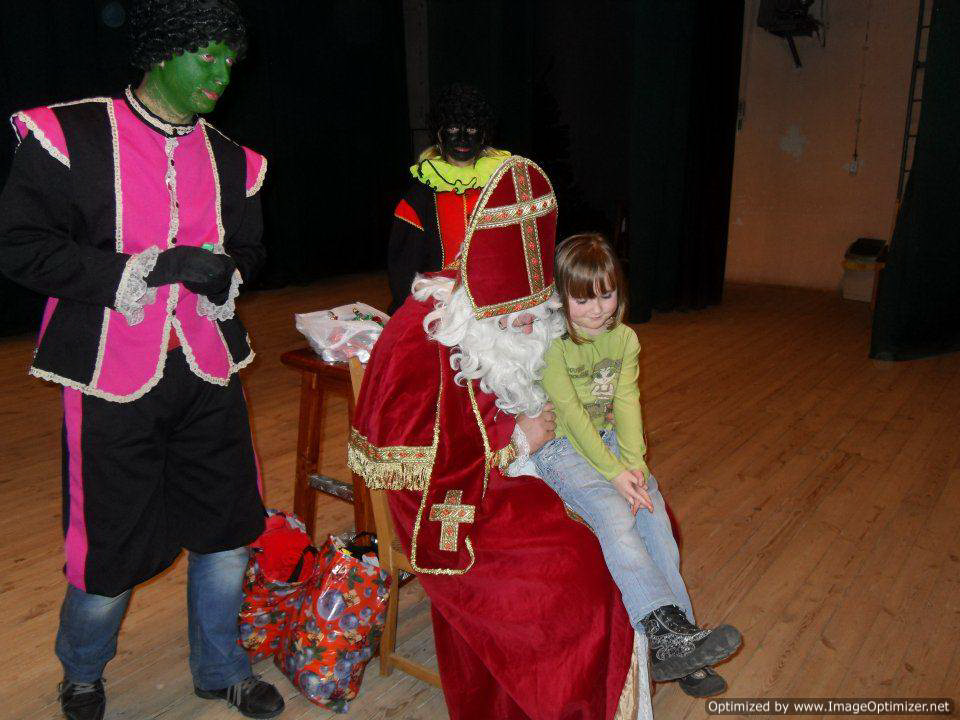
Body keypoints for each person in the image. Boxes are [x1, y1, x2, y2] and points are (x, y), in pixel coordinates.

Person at [0, 2, 282, 718]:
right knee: (109, 546)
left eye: (229, 59)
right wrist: (153, 268)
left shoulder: (235, 160)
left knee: (228, 529)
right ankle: (83, 671)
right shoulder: (70, 134)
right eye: (206, 56)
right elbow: (23, 247)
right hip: (108, 373)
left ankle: (221, 667)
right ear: (161, 53)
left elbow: (248, 250)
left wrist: (227, 272)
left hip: (208, 369)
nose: (222, 73)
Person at [349, 156, 654, 720]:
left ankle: (648, 646)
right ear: (481, 304)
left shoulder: (528, 319)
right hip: (455, 505)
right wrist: (516, 444)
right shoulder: (426, 338)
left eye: (534, 313)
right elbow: (415, 470)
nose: (530, 327)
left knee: (637, 517)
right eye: (515, 319)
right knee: (574, 568)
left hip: (525, 469)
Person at [533, 234, 742, 698]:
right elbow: (569, 414)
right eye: (583, 299)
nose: (597, 310)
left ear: (619, 291)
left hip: (609, 444)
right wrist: (614, 475)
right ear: (561, 298)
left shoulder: (625, 339)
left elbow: (627, 403)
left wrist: (636, 468)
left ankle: (682, 643)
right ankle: (664, 633)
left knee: (654, 516)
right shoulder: (551, 345)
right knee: (614, 514)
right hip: (563, 448)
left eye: (606, 295)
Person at [386, 82, 511, 313]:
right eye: (453, 129)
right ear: (440, 134)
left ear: (483, 135)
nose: (462, 139)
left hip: (493, 302)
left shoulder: (503, 185)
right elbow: (403, 271)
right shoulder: (419, 198)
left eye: (471, 130)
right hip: (438, 306)